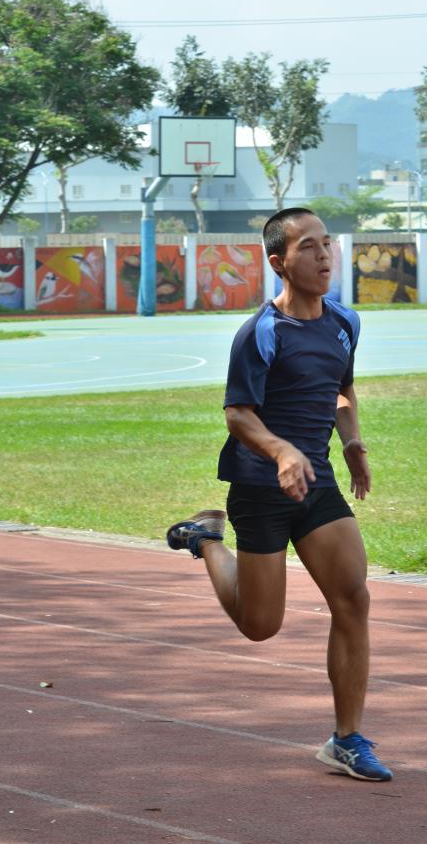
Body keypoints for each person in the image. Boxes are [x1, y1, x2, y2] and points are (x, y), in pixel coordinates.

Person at [167, 208, 392, 782]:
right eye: (308, 247)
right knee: (260, 625)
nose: (324, 255)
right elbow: (238, 414)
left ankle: (346, 740)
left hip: (317, 484)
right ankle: (206, 539)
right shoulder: (260, 333)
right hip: (259, 486)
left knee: (354, 599)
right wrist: (282, 451)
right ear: (279, 262)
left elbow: (340, 389)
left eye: (327, 244)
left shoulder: (345, 323)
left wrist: (352, 441)